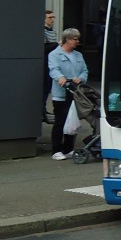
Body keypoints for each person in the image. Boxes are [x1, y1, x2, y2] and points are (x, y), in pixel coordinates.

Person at [48, 28, 88, 161]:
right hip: (61, 93)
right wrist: (61, 78)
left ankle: (68, 148)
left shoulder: (78, 55)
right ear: (68, 39)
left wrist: (80, 78)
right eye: (75, 39)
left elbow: (85, 71)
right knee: (61, 120)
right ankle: (57, 150)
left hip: (75, 93)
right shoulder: (55, 55)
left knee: (72, 121)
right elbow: (54, 69)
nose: (77, 41)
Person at [41, 10, 58, 123]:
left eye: (53, 17)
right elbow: (44, 49)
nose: (52, 19)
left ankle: (43, 109)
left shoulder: (53, 32)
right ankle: (41, 110)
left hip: (51, 61)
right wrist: (57, 44)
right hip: (45, 61)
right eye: (49, 17)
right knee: (44, 87)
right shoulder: (43, 32)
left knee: (47, 87)